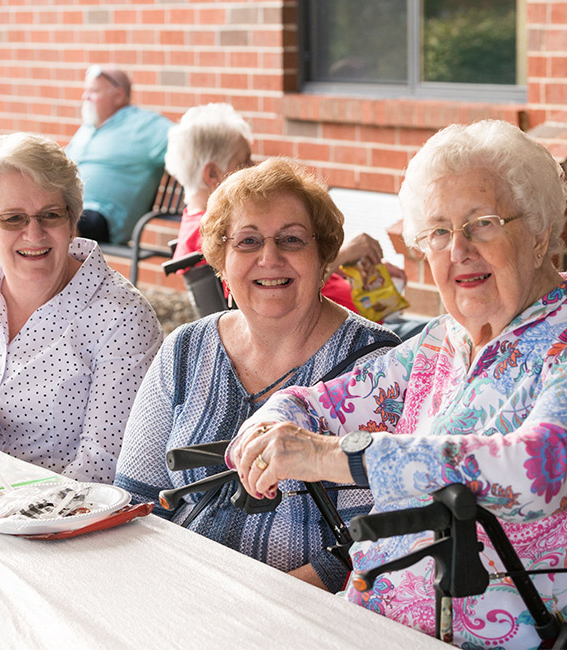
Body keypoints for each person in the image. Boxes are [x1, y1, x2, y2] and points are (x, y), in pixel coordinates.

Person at [228, 121, 567, 649]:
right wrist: (273, 421)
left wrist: (340, 457)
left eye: (483, 224)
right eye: (439, 232)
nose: (460, 250)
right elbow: (319, 402)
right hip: (374, 620)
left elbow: (539, 467)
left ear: (539, 233)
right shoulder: (441, 342)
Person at [115, 157, 400, 593]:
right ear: (221, 262)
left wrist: (253, 608)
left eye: (291, 239)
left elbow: (368, 539)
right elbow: (138, 499)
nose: (270, 257)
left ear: (324, 257)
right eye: (248, 241)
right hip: (180, 592)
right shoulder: (185, 349)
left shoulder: (374, 364)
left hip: (310, 612)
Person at [0, 132, 162, 483]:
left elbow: (104, 468)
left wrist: (8, 503)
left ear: (72, 221)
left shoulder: (122, 319)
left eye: (50, 215)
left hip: (52, 524)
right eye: (13, 219)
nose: (34, 234)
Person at [165, 102, 407, 316]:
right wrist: (345, 253)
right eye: (244, 161)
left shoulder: (196, 225)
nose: (253, 168)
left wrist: (350, 266)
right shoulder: (215, 232)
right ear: (213, 174)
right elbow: (265, 292)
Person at [66, 66, 173, 245]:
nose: (86, 97)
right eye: (86, 90)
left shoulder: (146, 126)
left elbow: (189, 141)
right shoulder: (88, 128)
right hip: (70, 207)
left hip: (103, 215)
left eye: (93, 91)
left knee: (56, 222)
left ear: (118, 95)